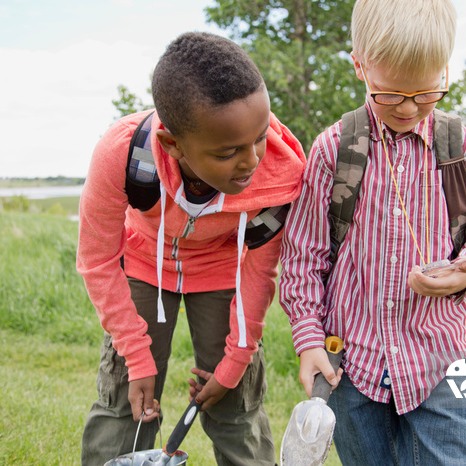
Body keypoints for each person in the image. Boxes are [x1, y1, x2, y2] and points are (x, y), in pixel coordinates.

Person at [279, 1, 466, 464]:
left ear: (444, 70)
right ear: (360, 66)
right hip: (350, 364)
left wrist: (465, 273)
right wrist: (309, 337)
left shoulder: (464, 150)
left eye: (427, 92)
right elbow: (304, 257)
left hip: (439, 358)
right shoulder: (335, 150)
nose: (409, 107)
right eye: (391, 94)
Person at [77, 32, 306, 465]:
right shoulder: (122, 153)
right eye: (228, 152)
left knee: (234, 405)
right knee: (129, 402)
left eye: (260, 136)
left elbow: (260, 271)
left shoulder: (280, 173)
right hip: (145, 263)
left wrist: (236, 360)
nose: (252, 160)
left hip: (225, 270)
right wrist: (137, 357)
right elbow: (97, 260)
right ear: (173, 145)